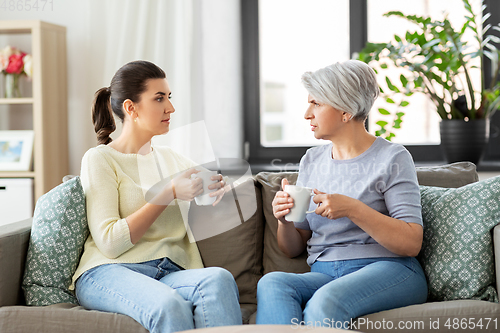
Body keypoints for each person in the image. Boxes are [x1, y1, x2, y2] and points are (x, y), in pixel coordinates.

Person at [71, 60, 242, 333]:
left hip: (170, 273)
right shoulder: (100, 159)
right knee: (169, 306)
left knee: (218, 279)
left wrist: (218, 188)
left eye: (169, 98)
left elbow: (211, 188)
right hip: (110, 270)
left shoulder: (173, 159)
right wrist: (168, 192)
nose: (170, 108)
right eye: (159, 98)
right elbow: (110, 242)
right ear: (131, 107)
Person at [256, 60, 428, 329]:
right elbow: (293, 248)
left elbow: (410, 243)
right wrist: (284, 221)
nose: (306, 114)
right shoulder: (311, 161)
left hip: (389, 269)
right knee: (273, 283)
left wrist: (352, 208)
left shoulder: (392, 157)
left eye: (316, 104)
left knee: (326, 302)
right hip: (325, 273)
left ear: (346, 111)